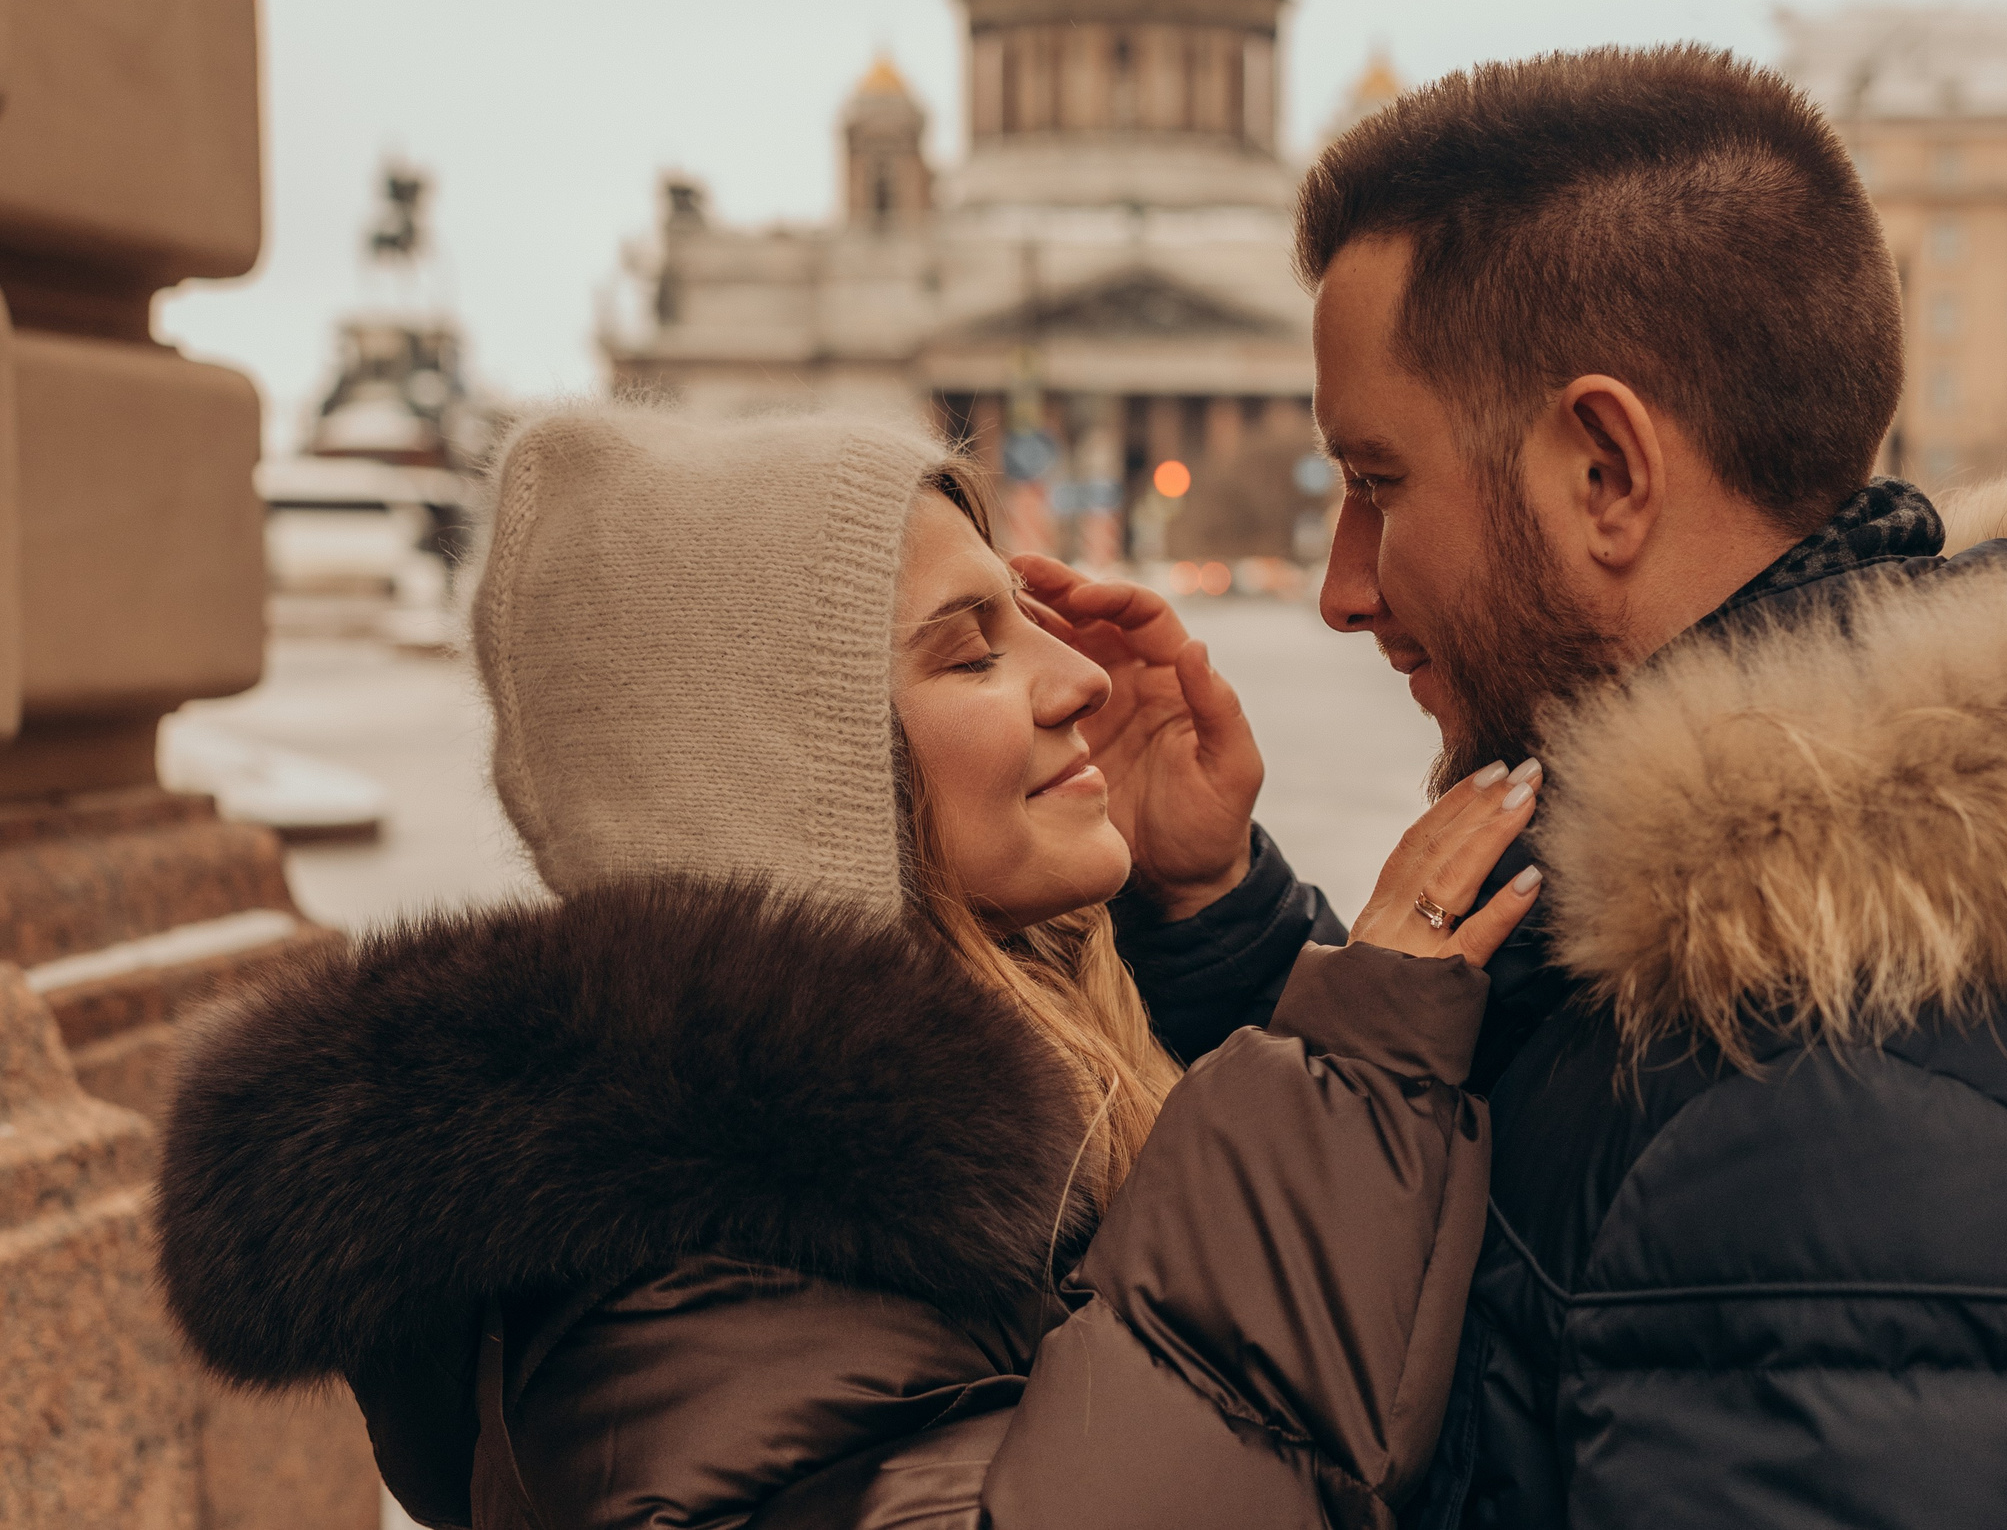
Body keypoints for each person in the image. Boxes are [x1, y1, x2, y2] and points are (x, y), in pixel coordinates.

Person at [1028, 45, 2007, 1529]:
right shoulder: (1778, 952)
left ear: (1607, 474)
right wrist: (1217, 905)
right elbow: (1523, 1206)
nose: (1343, 589)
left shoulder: (1861, 1117)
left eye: (1378, 483)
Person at [152, 408, 1547, 1530]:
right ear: (786, 785)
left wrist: (1210, 912)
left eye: (1033, 617)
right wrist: (1345, 1078)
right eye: (972, 654)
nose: (1083, 679)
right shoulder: (690, 1273)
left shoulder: (840, 1167)